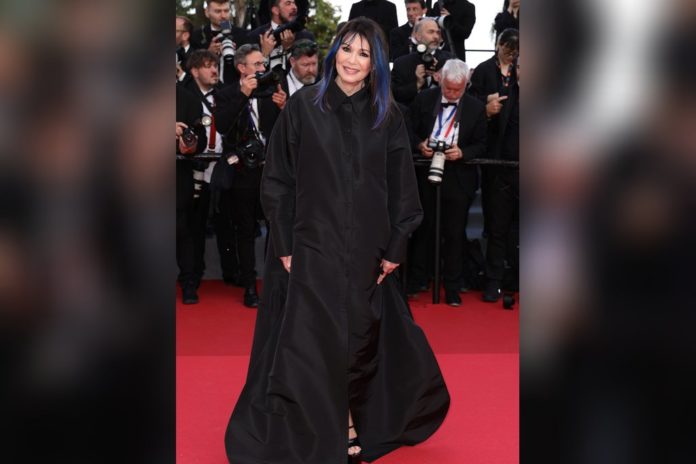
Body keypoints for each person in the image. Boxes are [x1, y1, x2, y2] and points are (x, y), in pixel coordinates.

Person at [224, 17, 449, 464]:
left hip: (367, 249)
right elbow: (278, 181)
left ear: (376, 64)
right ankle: (338, 424)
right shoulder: (303, 107)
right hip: (309, 248)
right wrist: (285, 243)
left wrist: (397, 245)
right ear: (333, 53)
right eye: (346, 49)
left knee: (359, 338)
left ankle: (355, 417)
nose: (352, 60)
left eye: (364, 54)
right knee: (313, 343)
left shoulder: (388, 115)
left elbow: (403, 186)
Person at [214, 44, 288, 308]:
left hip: (271, 172)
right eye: (256, 64)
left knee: (276, 229)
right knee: (245, 231)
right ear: (241, 68)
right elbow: (222, 126)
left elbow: (288, 132)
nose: (261, 68)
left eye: (262, 64)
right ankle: (249, 286)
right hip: (242, 173)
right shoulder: (225, 94)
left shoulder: (272, 92)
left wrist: (284, 109)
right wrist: (242, 96)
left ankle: (276, 283)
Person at [409, 58, 487, 306]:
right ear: (440, 80)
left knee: (455, 233)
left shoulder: (475, 108)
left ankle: (452, 287)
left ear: (466, 84)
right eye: (448, 88)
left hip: (458, 177)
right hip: (425, 171)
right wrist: (420, 145)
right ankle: (417, 280)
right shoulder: (423, 100)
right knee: (422, 229)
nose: (452, 94)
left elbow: (482, 143)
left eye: (458, 89)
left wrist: (463, 152)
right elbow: (407, 130)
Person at [468, 28, 519, 300]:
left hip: (519, 164)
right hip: (494, 159)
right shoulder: (485, 70)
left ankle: (514, 276)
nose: (511, 54)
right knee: (496, 223)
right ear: (497, 45)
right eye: (508, 48)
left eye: (517, 50)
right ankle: (493, 279)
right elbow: (471, 102)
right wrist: (485, 110)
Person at [391, 17, 454, 106]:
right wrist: (417, 84)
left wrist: (440, 77)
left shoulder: (450, 61)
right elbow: (395, 95)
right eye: (431, 32)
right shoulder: (401, 63)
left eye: (438, 32)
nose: (436, 36)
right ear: (417, 36)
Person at [247, 0, 315, 72]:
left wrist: (289, 50)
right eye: (288, 3)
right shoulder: (254, 37)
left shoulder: (306, 37)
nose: (294, 7)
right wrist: (264, 55)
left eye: (294, 3)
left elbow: (307, 72)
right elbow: (249, 74)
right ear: (276, 10)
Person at [190, 0, 247, 84]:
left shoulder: (242, 34)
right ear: (207, 12)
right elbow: (190, 68)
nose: (223, 16)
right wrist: (208, 53)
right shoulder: (196, 36)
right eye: (218, 11)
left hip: (235, 88)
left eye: (226, 11)